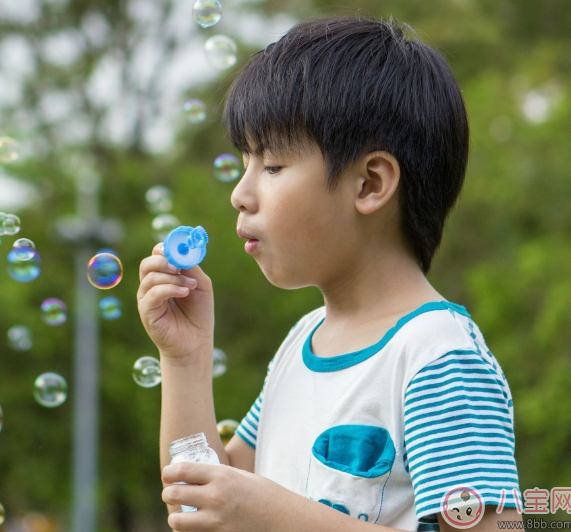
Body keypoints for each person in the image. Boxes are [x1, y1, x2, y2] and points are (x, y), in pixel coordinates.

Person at [137, 14, 523, 532]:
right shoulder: (302, 343)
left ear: (369, 184)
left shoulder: (435, 355)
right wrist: (184, 359)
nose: (240, 194)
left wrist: (271, 514)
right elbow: (202, 504)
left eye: (272, 166)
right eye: (244, 163)